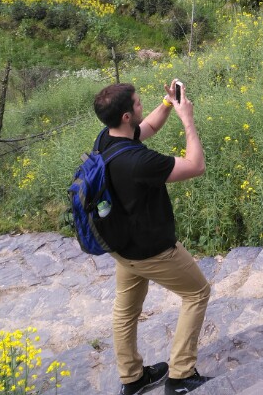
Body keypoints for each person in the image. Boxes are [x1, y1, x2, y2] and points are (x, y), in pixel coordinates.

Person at [92, 80, 212, 395]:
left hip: (122, 247)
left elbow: (148, 128)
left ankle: (132, 379)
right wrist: (188, 118)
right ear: (126, 116)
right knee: (197, 293)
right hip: (152, 250)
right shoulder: (138, 162)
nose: (141, 105)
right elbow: (195, 165)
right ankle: (180, 376)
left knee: (125, 310)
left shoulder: (107, 139)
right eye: (138, 102)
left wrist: (169, 102)